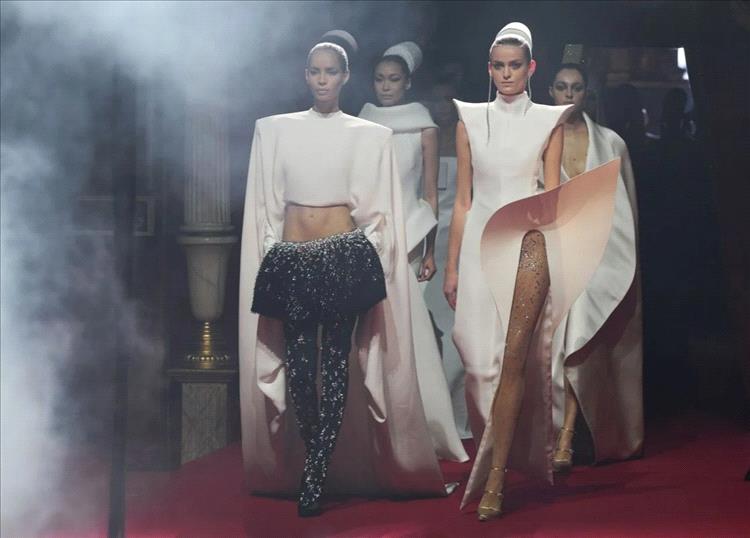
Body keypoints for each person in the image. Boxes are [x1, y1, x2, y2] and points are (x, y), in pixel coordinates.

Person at [238, 41, 446, 517]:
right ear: (305, 75)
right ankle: (316, 455)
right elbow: (267, 203)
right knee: (298, 369)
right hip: (293, 257)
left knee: (334, 365)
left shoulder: (368, 135)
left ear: (345, 76)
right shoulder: (276, 130)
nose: (322, 79)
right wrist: (272, 249)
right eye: (315, 71)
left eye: (331, 71)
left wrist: (369, 252)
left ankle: (314, 473)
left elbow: (379, 208)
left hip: (341, 255)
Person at [443, 23, 621, 519]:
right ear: (489, 69)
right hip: (479, 245)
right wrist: (451, 267)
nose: (506, 74)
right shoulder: (468, 119)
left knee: (513, 361)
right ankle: (495, 456)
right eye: (498, 66)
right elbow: (462, 202)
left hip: (528, 246)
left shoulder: (549, 120)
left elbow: (552, 198)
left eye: (515, 66)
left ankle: (497, 479)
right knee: (478, 366)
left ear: (531, 68)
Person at [359, 42, 468, 462]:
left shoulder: (424, 125)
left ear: (407, 83)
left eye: (393, 80)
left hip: (408, 237)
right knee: (369, 332)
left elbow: (429, 194)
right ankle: (372, 428)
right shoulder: (363, 121)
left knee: (409, 331)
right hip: (368, 235)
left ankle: (421, 425)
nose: (385, 87)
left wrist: (430, 251)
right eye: (380, 79)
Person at [546, 63, 643, 472]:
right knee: (558, 344)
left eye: (577, 87)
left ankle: (567, 436)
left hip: (603, 255)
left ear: (588, 92)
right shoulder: (537, 141)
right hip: (555, 254)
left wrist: (625, 261)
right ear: (551, 91)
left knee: (582, 335)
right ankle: (556, 435)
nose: (569, 94)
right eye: (562, 87)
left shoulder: (611, 142)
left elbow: (627, 209)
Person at [423, 70, 471, 439]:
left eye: (447, 99)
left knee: (458, 332)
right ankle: (428, 418)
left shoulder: (466, 136)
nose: (441, 106)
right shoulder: (423, 136)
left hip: (458, 242)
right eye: (435, 99)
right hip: (425, 241)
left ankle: (458, 420)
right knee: (426, 331)